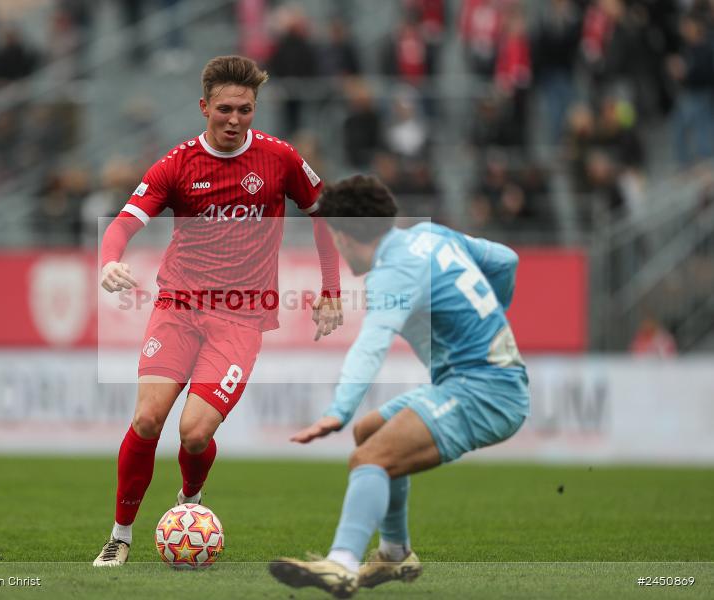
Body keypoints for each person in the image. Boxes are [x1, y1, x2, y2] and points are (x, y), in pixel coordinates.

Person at [93, 55, 343, 567]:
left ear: (255, 109)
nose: (234, 119)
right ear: (204, 107)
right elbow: (123, 222)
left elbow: (324, 215)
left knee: (195, 432)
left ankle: (189, 504)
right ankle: (120, 535)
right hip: (178, 305)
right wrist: (108, 261)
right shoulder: (177, 164)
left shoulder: (281, 159)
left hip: (240, 316)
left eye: (245, 110)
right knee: (146, 419)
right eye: (225, 109)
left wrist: (332, 289)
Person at [269, 175, 530, 598]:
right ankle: (394, 553)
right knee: (369, 430)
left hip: (486, 391)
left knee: (368, 457)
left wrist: (338, 409)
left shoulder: (391, 274)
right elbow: (506, 260)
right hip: (477, 379)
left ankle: (342, 563)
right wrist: (495, 313)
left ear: (344, 235)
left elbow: (371, 345)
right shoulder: (431, 235)